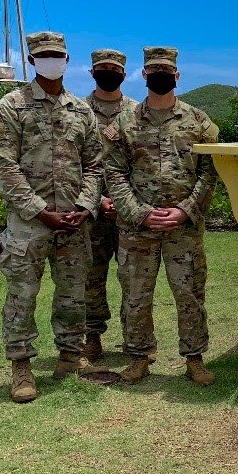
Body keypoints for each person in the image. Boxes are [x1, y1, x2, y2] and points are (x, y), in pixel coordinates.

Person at [0, 31, 106, 402]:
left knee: (72, 294)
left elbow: (96, 164)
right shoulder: (11, 106)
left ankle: (70, 356)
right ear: (32, 59)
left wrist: (85, 207)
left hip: (73, 220)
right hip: (29, 224)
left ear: (67, 61)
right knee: (23, 294)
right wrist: (41, 212)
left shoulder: (80, 110)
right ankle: (21, 366)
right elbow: (3, 166)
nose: (52, 59)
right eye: (44, 54)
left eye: (58, 54)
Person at [103, 46, 220, 386]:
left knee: (190, 294)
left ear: (177, 76)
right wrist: (140, 213)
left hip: (183, 229)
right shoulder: (124, 123)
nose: (160, 76)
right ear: (143, 75)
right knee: (136, 295)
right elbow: (114, 174)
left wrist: (185, 210)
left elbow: (210, 174)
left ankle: (194, 359)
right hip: (137, 229)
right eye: (153, 71)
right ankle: (139, 357)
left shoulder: (199, 122)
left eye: (166, 71)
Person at [83, 49, 138, 361]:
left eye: (113, 68)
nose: (108, 72)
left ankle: (136, 340)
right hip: (92, 212)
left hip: (129, 213)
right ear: (92, 72)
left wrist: (126, 201)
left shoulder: (137, 112)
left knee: (134, 277)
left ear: (123, 74)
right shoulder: (78, 111)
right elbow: (72, 163)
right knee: (91, 276)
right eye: (102, 68)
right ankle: (92, 338)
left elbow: (144, 164)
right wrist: (97, 200)